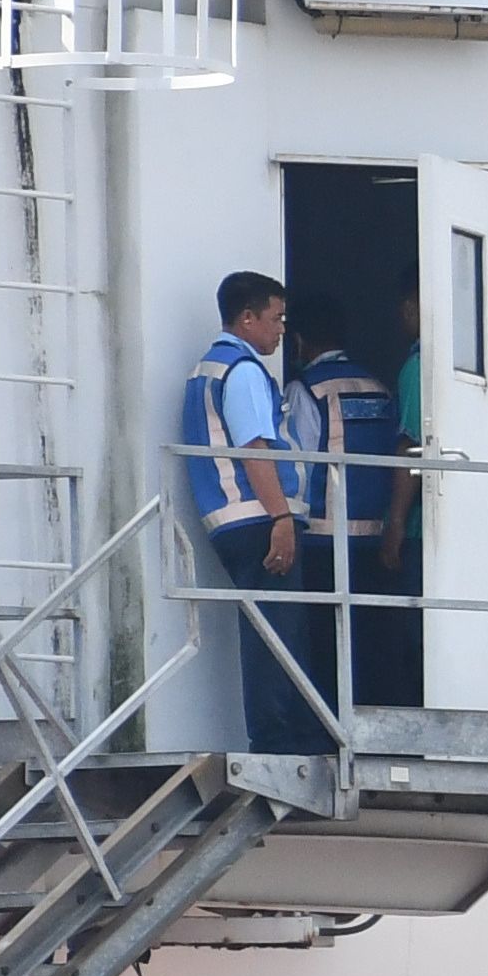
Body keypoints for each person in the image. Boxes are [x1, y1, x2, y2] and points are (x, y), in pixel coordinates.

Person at [183, 270, 330, 751]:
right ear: (247, 319)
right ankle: (281, 741)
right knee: (279, 633)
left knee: (272, 627)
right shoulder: (243, 372)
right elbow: (256, 450)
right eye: (276, 318)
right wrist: (282, 519)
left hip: (234, 519)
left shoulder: (212, 367)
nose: (282, 329)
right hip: (257, 518)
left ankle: (286, 733)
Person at [295, 307, 412, 710]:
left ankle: (332, 727)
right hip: (374, 539)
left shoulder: (307, 389)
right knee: (373, 643)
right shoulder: (378, 386)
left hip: (323, 541)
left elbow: (299, 462)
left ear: (300, 342)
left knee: (327, 646)